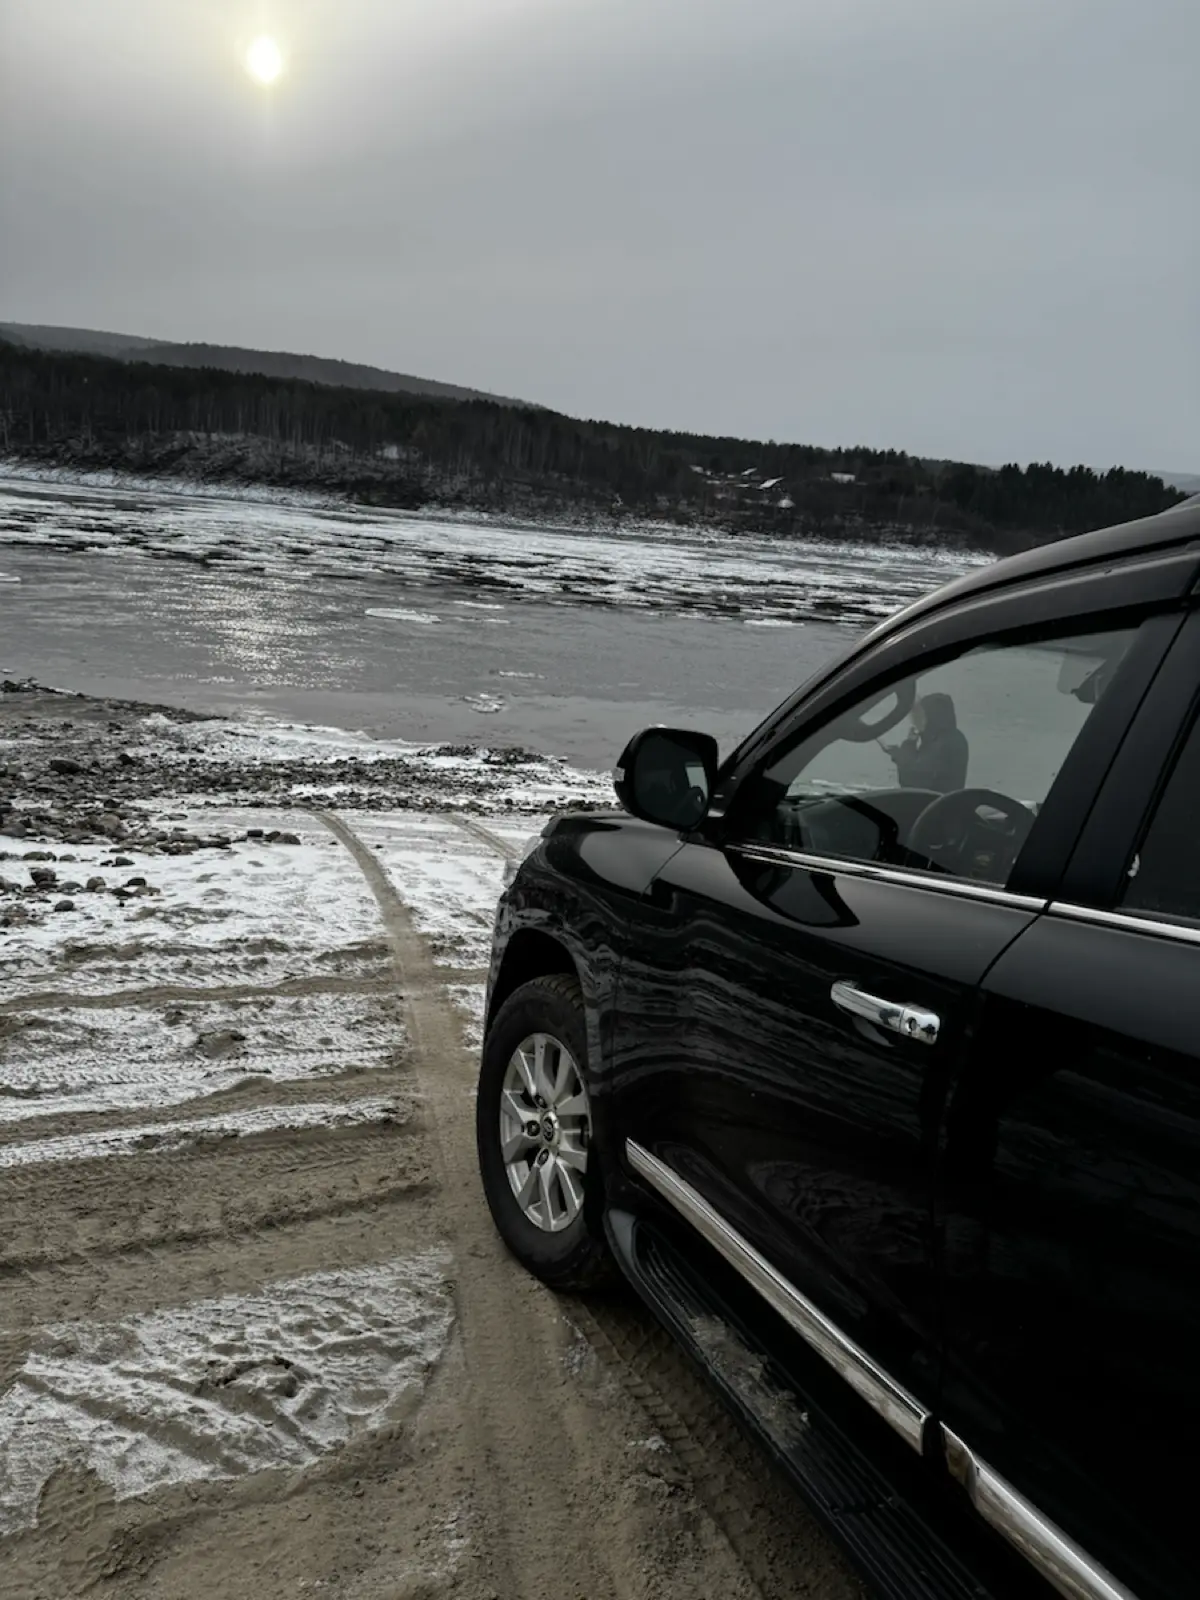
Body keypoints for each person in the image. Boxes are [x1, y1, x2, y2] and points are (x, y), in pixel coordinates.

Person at [883, 692, 968, 793]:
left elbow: (913, 781)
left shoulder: (942, 744)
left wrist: (904, 751)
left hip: (934, 803)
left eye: (921, 715)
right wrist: (907, 747)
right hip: (945, 801)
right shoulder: (951, 737)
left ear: (932, 717)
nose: (916, 720)